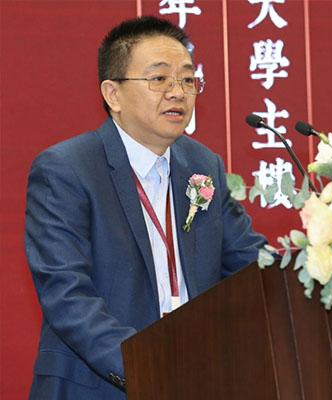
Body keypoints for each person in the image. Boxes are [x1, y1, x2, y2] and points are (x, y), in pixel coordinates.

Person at [24, 16, 266, 399]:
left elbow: (255, 266)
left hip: (196, 380)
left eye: (188, 79)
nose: (178, 92)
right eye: (159, 79)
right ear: (113, 94)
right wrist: (147, 365)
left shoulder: (203, 165)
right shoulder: (67, 168)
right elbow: (66, 293)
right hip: (101, 385)